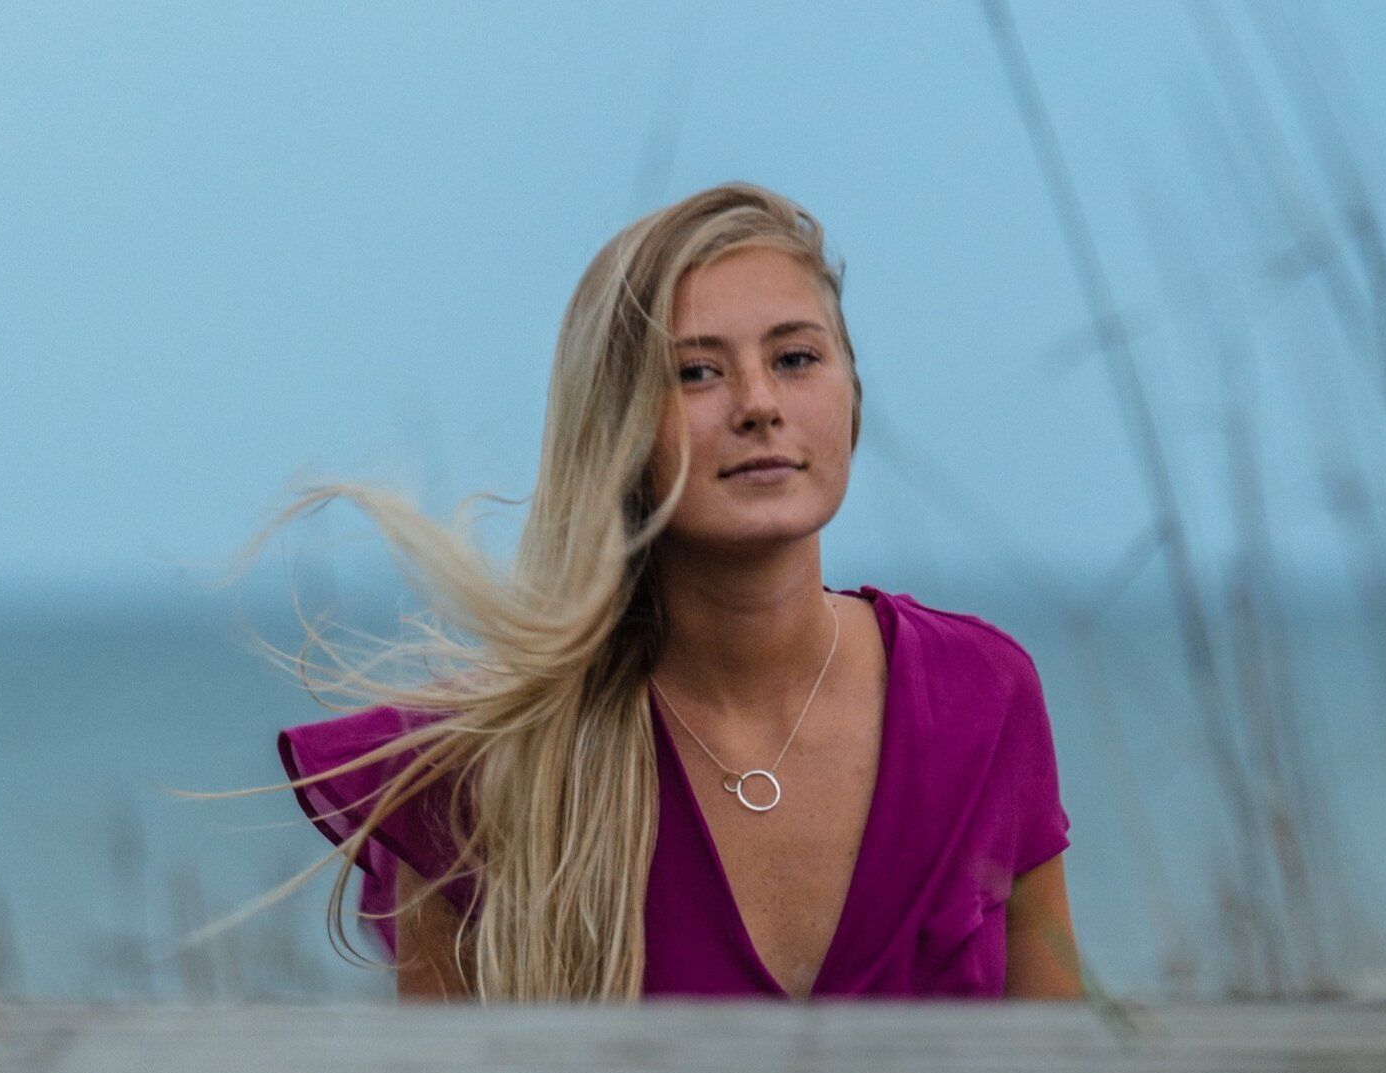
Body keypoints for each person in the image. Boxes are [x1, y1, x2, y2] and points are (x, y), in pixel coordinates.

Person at [261, 181, 1083, 1003]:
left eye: (796, 358)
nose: (759, 405)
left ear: (853, 396)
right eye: (695, 372)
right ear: (614, 427)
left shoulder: (982, 696)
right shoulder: (490, 773)